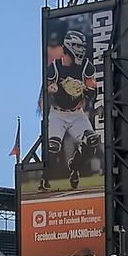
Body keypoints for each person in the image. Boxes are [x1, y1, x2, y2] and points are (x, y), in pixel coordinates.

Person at [40, 27, 98, 191]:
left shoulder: (87, 66)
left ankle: (75, 167)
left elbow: (92, 88)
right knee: (53, 146)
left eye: (82, 47)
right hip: (57, 113)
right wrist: (54, 88)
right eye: (78, 46)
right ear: (69, 46)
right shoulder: (55, 67)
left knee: (92, 141)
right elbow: (47, 88)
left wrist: (87, 91)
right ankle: (45, 178)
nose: (80, 50)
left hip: (77, 114)